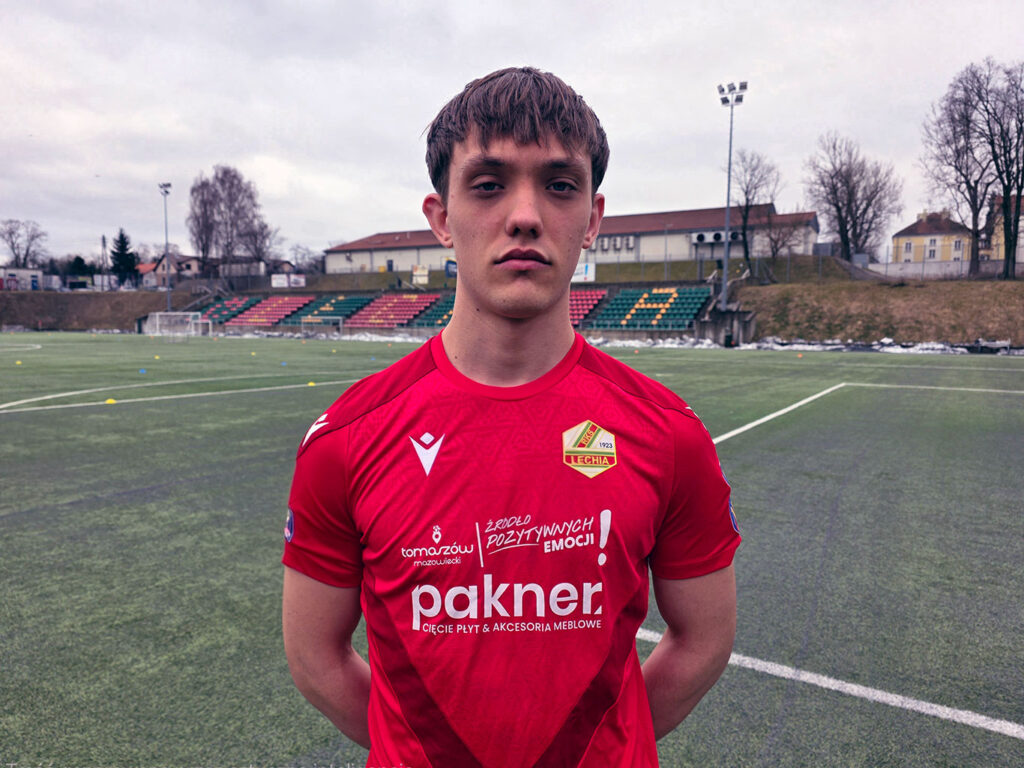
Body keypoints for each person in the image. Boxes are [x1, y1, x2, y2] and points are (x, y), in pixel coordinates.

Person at [282, 66, 740, 768]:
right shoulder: (345, 441)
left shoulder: (670, 436)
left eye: (559, 185)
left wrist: (607, 747)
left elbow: (703, 641)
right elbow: (316, 658)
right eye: (489, 184)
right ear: (441, 218)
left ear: (593, 220)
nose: (525, 214)